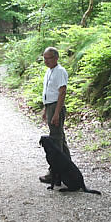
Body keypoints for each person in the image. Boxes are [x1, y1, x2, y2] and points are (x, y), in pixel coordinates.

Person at [39, 47, 71, 184]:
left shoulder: (60, 71)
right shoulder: (49, 71)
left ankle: (55, 173)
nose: (46, 61)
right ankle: (68, 169)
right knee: (60, 139)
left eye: (49, 58)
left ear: (56, 58)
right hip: (50, 106)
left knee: (56, 141)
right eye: (44, 58)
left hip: (56, 106)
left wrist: (56, 113)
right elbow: (49, 91)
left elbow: (62, 92)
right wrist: (46, 110)